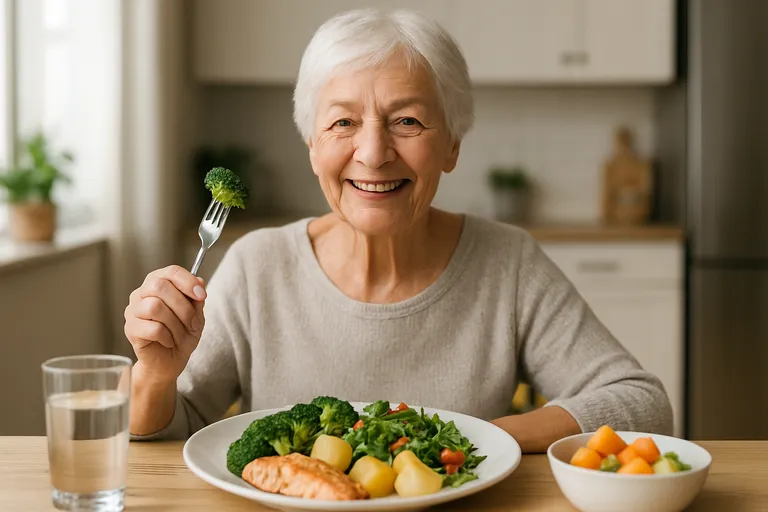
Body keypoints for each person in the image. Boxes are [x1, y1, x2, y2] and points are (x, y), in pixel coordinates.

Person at [124, 8, 673, 453]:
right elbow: (167, 436)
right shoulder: (256, 264)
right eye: (342, 122)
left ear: (453, 144)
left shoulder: (509, 262)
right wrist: (154, 376)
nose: (373, 153)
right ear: (312, 145)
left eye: (407, 121)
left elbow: (642, 403)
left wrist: (483, 437)